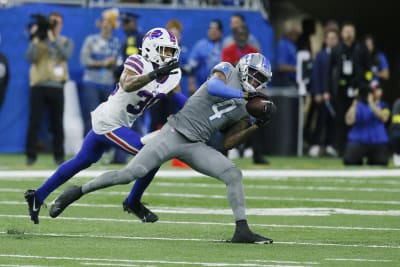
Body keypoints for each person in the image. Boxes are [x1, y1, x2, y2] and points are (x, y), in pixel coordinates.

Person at [49, 53, 276, 244]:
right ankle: (77, 191)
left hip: (196, 144)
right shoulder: (226, 69)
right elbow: (215, 87)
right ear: (244, 68)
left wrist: (256, 125)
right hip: (173, 132)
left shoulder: (248, 106)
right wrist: (242, 94)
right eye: (254, 75)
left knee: (233, 173)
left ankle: (242, 230)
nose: (255, 82)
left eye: (260, 79)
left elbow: (228, 142)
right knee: (130, 173)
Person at [24, 27, 182, 224]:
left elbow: (178, 98)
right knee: (151, 155)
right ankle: (133, 201)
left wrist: (199, 111)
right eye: (164, 50)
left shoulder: (173, 75)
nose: (168, 55)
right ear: (150, 48)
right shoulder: (138, 62)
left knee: (81, 160)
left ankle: (37, 196)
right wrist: (153, 74)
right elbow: (127, 84)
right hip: (109, 121)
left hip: (120, 123)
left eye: (171, 51)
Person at [25, 12, 74, 166]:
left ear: (61, 25)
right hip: (38, 85)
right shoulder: (38, 40)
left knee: (57, 123)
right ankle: (30, 156)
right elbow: (30, 57)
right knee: (34, 122)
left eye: (56, 23)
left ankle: (59, 156)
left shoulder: (65, 41)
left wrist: (54, 40)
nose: (53, 26)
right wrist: (35, 39)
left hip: (57, 85)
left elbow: (65, 55)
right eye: (51, 22)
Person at [329, 21, 369, 157]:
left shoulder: (361, 48)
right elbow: (330, 71)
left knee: (357, 119)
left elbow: (367, 70)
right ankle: (341, 149)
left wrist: (364, 86)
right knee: (340, 120)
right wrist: (329, 90)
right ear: (342, 33)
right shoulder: (336, 50)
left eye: (351, 31)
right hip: (340, 90)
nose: (349, 34)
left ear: (355, 33)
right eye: (346, 31)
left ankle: (357, 149)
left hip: (356, 89)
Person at [80, 8, 122, 136]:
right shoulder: (91, 40)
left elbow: (121, 61)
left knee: (108, 117)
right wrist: (104, 63)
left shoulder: (116, 42)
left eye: (108, 21)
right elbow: (84, 59)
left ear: (113, 24)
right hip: (91, 82)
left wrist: (116, 63)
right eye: (103, 21)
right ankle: (86, 146)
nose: (105, 24)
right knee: (91, 115)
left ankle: (106, 147)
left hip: (109, 83)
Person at [307, 28, 339, 157]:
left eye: (334, 38)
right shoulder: (321, 55)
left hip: (334, 95)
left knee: (333, 121)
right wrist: (318, 92)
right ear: (326, 40)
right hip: (322, 94)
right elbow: (316, 75)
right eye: (330, 38)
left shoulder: (338, 54)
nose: (332, 41)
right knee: (321, 119)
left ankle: (330, 145)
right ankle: (315, 144)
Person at [343, 84, 390, 166]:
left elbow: (384, 118)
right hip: (358, 140)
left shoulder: (383, 105)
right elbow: (349, 121)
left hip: (377, 141)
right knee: (349, 161)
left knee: (381, 162)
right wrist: (355, 103)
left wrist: (371, 103)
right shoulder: (357, 106)